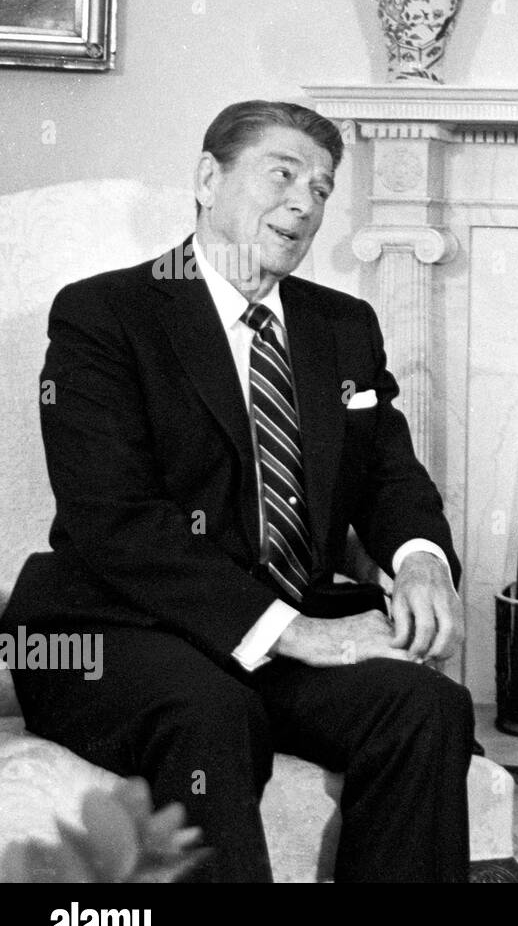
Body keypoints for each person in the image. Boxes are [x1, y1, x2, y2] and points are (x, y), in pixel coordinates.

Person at [2, 101, 474, 882]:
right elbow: (113, 522)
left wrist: (423, 560)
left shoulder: (343, 324)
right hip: (121, 630)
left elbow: (390, 473)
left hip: (284, 629)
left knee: (427, 706)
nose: (305, 202)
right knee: (211, 711)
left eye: (322, 188)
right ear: (207, 179)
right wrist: (292, 632)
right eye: (282, 174)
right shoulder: (104, 314)